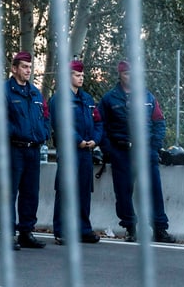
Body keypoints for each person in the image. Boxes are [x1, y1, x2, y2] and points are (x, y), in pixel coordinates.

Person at [98, 60, 175, 243]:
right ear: (120, 75)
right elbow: (100, 124)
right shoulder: (109, 99)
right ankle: (130, 228)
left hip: (145, 152)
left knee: (154, 190)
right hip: (122, 151)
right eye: (126, 73)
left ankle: (159, 228)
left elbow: (159, 122)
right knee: (124, 192)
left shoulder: (147, 97)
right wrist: (109, 150)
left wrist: (154, 147)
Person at [49, 60, 102, 245]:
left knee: (84, 192)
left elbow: (98, 121)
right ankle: (61, 230)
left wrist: (95, 139)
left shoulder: (86, 99)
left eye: (82, 75)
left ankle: (83, 229)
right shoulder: (59, 99)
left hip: (86, 152)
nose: (81, 78)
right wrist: (78, 140)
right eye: (77, 75)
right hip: (70, 151)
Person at [3, 51, 50, 249]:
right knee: (11, 192)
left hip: (33, 149)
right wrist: (16, 133)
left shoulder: (35, 93)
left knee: (30, 192)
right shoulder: (4, 91)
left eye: (30, 67)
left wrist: (43, 133)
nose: (28, 71)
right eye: (24, 67)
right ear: (14, 69)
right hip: (14, 148)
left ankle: (26, 232)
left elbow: (46, 116)